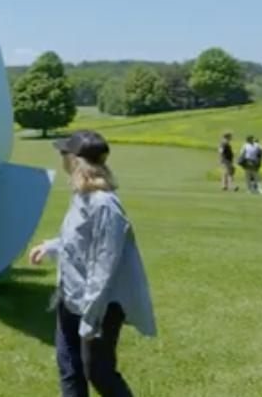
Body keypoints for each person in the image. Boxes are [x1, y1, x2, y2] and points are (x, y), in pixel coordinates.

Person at [28, 129, 156, 397]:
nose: (60, 156)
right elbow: (75, 240)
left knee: (98, 371)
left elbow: (104, 264)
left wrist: (91, 316)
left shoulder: (104, 205)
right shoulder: (82, 196)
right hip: (71, 296)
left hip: (100, 304)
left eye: (64, 152)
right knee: (69, 368)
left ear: (75, 160)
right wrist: (50, 246)